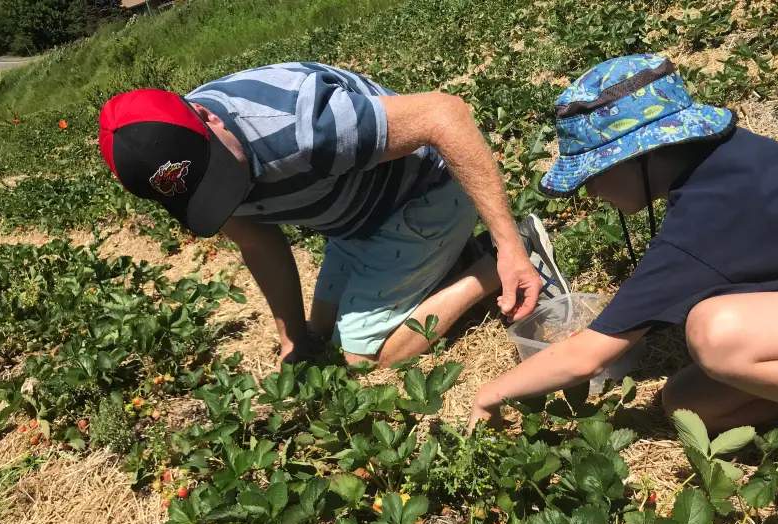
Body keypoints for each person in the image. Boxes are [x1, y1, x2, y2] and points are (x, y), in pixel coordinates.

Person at [469, 53, 778, 485]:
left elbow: (586, 357)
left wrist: (491, 394)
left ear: (642, 155)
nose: (591, 190)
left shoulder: (707, 220)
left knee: (718, 333)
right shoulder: (733, 154)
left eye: (595, 172)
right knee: (687, 403)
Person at [97, 62, 570, 368]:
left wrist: (506, 242)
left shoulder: (303, 125)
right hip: (353, 220)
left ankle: (492, 264)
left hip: (423, 193)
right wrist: (291, 339)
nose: (227, 194)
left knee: (364, 357)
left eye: (220, 174)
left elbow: (446, 116)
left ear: (209, 118)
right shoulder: (186, 169)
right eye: (207, 194)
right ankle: (450, 260)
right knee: (319, 329)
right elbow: (258, 240)